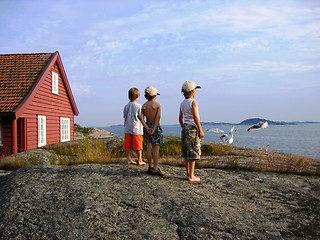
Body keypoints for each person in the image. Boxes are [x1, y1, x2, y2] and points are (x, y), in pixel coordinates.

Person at [179, 81, 205, 182]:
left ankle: (187, 174)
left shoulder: (182, 103)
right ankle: (192, 175)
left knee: (186, 152)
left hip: (185, 128)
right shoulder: (194, 102)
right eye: (195, 90)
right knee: (193, 152)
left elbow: (180, 118)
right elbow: (195, 116)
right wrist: (200, 130)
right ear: (192, 91)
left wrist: (183, 127)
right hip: (192, 128)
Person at [141, 86, 165, 176]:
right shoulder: (157, 105)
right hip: (155, 126)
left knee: (148, 146)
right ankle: (155, 167)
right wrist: (154, 128)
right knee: (156, 148)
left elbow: (141, 118)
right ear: (155, 95)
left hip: (147, 125)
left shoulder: (144, 106)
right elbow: (158, 117)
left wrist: (146, 127)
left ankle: (150, 166)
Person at [123, 87, 146, 165]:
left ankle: (129, 159)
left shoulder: (126, 106)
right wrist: (145, 126)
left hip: (127, 128)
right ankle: (140, 159)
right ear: (137, 96)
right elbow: (141, 117)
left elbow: (124, 116)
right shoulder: (139, 106)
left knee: (128, 145)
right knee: (139, 145)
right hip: (137, 129)